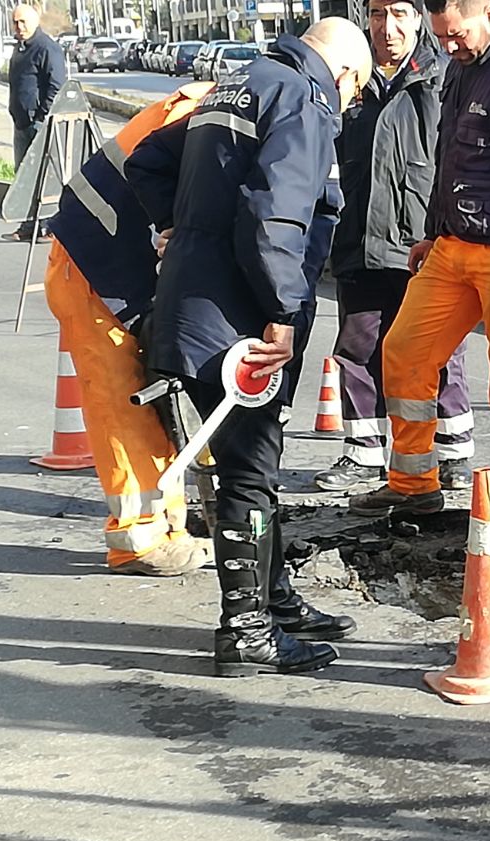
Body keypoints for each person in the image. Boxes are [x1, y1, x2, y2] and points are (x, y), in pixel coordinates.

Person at [126, 19, 373, 676]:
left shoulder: (235, 84)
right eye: (354, 92)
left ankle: (274, 601)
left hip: (190, 304)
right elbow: (276, 215)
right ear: (345, 72)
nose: (347, 106)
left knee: (251, 461)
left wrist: (175, 224)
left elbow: (145, 160)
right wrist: (280, 311)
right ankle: (247, 632)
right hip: (241, 320)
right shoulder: (301, 98)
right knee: (248, 470)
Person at [349, 0, 490, 543]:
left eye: (457, 35)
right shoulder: (461, 67)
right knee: (404, 350)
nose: (449, 46)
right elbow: (449, 157)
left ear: (488, 13)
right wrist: (433, 229)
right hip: (453, 245)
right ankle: (412, 480)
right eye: (442, 36)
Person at [44, 81, 217, 576]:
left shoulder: (213, 107)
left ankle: (169, 528)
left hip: (110, 263)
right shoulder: (207, 119)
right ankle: (136, 541)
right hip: (93, 270)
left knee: (152, 400)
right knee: (123, 405)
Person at [314, 0, 475, 496]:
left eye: (400, 12)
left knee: (438, 350)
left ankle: (452, 450)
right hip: (359, 241)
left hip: (422, 243)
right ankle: (363, 453)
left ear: (420, 17)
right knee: (358, 349)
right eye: (378, 13)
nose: (388, 27)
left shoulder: (443, 77)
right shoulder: (347, 77)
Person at [2, 5, 66, 242]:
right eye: (15, 22)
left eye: (22, 22)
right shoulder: (20, 48)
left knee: (44, 176)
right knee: (24, 177)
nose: (18, 27)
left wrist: (41, 117)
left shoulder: (47, 48)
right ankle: (28, 225)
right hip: (21, 123)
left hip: (38, 124)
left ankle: (49, 227)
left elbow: (56, 86)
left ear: (34, 21)